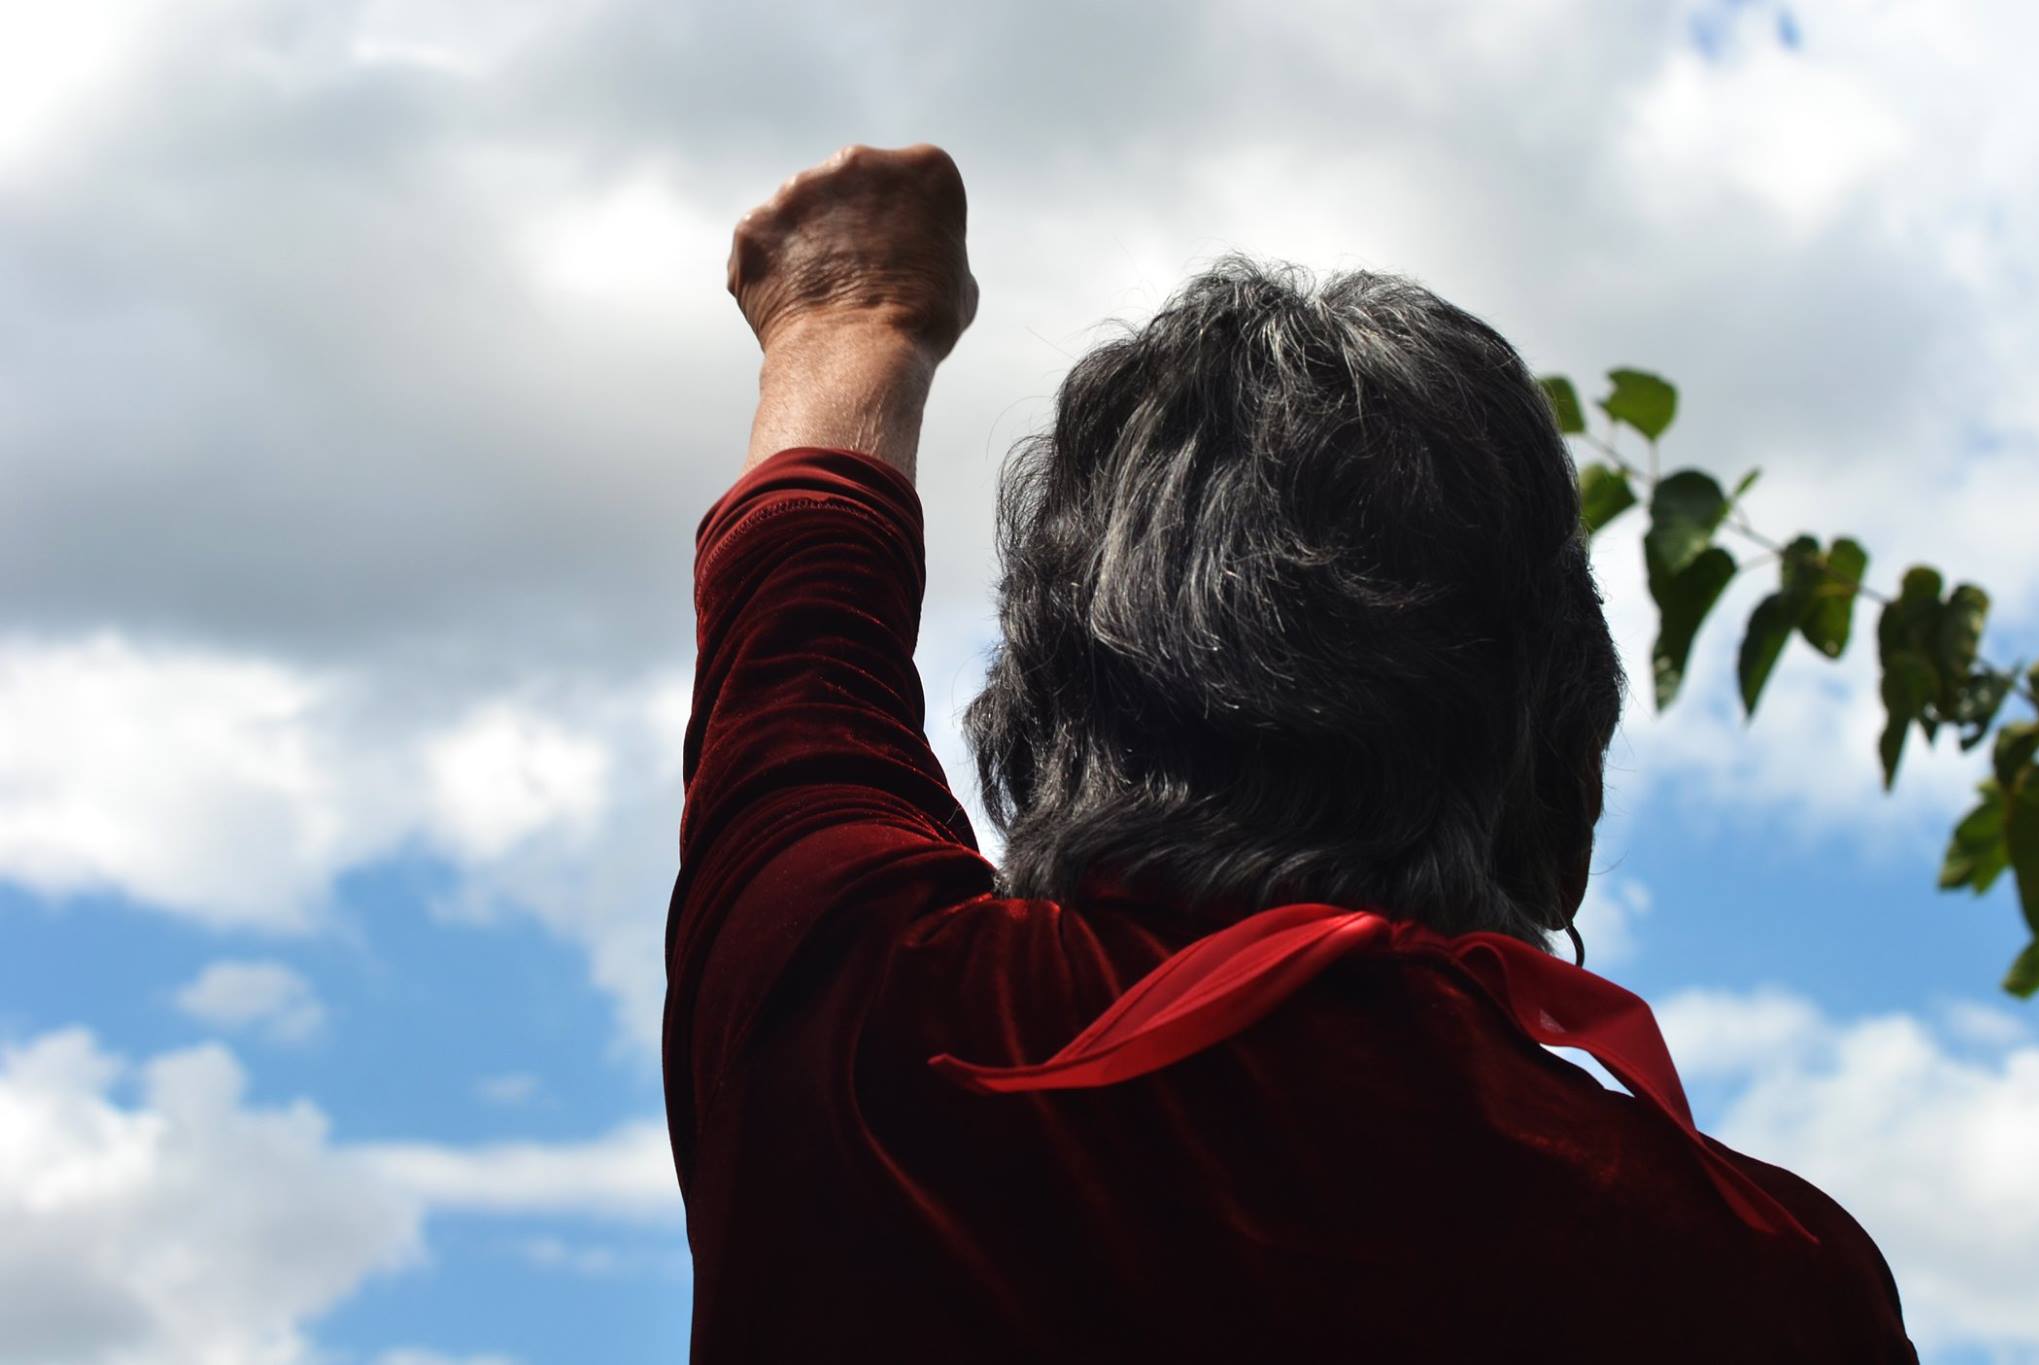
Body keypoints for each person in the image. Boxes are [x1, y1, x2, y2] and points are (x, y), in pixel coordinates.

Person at [663, 142, 1918, 1362]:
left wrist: (852, 319)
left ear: (1032, 729)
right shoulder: (1773, 1283)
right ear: (1566, 802)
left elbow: (798, 629)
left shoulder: (874, 1015)